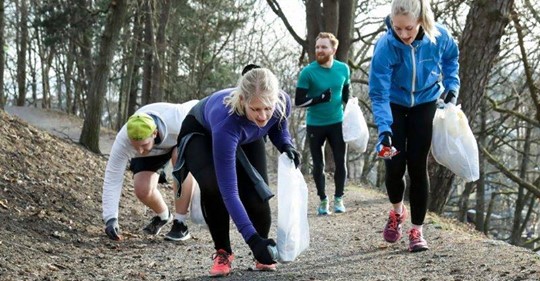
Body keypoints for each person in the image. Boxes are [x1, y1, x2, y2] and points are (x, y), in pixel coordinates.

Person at [173, 67, 300, 277]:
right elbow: (229, 192)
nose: (263, 116)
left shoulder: (281, 102)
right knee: (213, 186)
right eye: (256, 109)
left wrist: (286, 144)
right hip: (201, 132)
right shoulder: (226, 121)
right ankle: (223, 252)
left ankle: (262, 251)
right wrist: (251, 239)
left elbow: (277, 127)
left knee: (256, 190)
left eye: (268, 108)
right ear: (242, 100)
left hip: (245, 132)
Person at [368, 0, 460, 252]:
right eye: (397, 29)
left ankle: (417, 231)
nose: (403, 35)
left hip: (425, 102)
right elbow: (378, 93)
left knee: (418, 166)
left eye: (408, 28)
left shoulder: (438, 36)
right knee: (393, 163)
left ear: (421, 21)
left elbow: (452, 58)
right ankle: (397, 212)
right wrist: (384, 129)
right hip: (394, 105)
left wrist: (452, 87)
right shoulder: (386, 45)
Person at [102, 101, 199, 242]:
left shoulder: (178, 117)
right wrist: (110, 218)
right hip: (153, 151)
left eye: (142, 145)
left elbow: (199, 106)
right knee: (143, 190)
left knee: (180, 154)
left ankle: (180, 223)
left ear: (155, 133)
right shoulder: (124, 140)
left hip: (176, 143)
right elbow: (113, 176)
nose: (139, 151)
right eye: (135, 146)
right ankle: (164, 216)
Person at [295, 32, 351, 215]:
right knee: (318, 164)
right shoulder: (308, 72)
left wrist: (351, 109)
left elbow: (345, 94)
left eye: (324, 47)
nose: (319, 50)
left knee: (340, 162)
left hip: (337, 122)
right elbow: (299, 101)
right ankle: (323, 200)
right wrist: (319, 98)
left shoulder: (343, 69)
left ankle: (339, 199)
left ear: (333, 49)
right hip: (315, 124)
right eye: (317, 47)